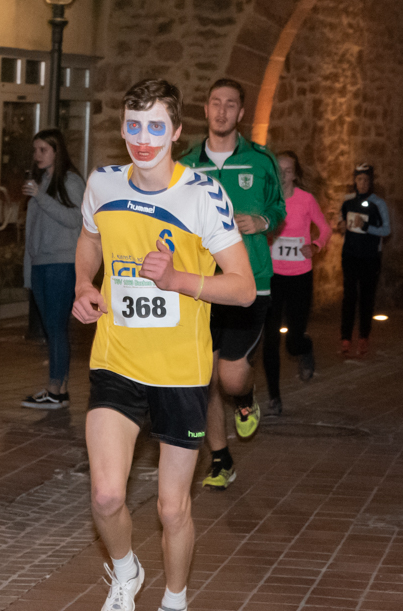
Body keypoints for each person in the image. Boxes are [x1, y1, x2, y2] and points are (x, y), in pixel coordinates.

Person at [73, 78, 254, 611]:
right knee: (106, 496)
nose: (143, 138)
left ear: (176, 131)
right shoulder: (103, 183)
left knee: (171, 506)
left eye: (155, 127)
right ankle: (126, 573)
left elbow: (243, 288)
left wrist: (177, 279)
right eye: (133, 126)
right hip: (117, 360)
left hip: (180, 371)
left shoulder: (202, 195)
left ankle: (175, 607)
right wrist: (83, 284)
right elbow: (90, 240)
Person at [178, 77, 285, 491]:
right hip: (203, 284)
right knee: (204, 376)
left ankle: (244, 398)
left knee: (230, 377)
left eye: (230, 105)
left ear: (241, 113)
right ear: (205, 109)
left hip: (249, 284)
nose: (221, 111)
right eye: (215, 103)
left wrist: (262, 221)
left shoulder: (260, 160)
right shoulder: (186, 165)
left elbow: (278, 208)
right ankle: (221, 459)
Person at [21, 129, 86, 410]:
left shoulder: (70, 181)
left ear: (57, 152)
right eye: (35, 150)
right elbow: (31, 232)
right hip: (41, 264)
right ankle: (58, 388)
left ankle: (56, 390)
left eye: (43, 150)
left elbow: (75, 219)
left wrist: (41, 197)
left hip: (62, 263)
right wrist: (29, 270)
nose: (37, 155)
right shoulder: (41, 182)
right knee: (51, 329)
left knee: (57, 327)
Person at [262, 151, 329, 414]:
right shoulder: (267, 199)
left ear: (295, 175)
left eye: (287, 170)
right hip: (272, 276)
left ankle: (305, 347)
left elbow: (325, 229)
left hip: (300, 276)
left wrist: (316, 245)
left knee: (293, 341)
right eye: (278, 170)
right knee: (270, 339)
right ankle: (274, 397)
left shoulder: (305, 200)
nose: (282, 175)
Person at [337, 163, 390, 356]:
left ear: (371, 181)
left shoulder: (379, 203)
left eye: (366, 180)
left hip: (370, 257)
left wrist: (367, 227)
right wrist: (341, 226)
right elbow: (340, 222)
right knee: (349, 297)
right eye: (359, 179)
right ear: (355, 181)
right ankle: (345, 338)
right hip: (350, 255)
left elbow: (387, 230)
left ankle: (363, 337)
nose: (363, 183)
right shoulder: (347, 201)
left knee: (367, 298)